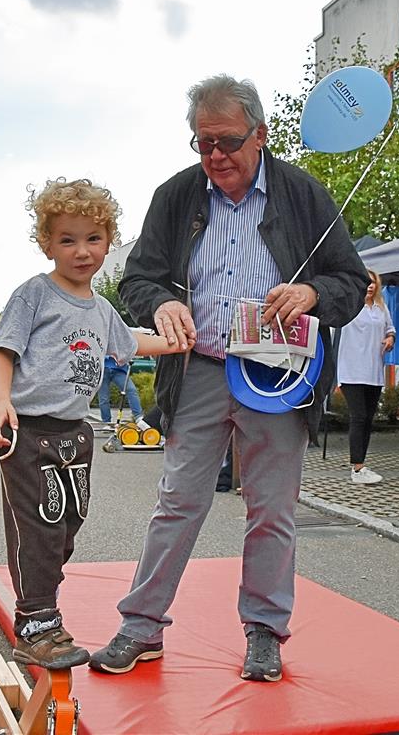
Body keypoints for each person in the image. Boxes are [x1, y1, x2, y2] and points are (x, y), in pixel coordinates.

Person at [88, 75, 368, 683]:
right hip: (202, 370)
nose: (214, 156)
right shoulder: (176, 196)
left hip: (278, 375)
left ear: (261, 136)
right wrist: (159, 304)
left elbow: (352, 280)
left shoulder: (302, 194)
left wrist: (313, 291)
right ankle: (141, 627)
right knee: (178, 502)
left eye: (227, 141)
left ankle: (264, 633)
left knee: (271, 509)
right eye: (202, 142)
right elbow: (138, 279)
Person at [0, 178, 178, 670]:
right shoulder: (35, 294)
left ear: (108, 242)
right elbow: (3, 351)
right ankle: (36, 622)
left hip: (75, 432)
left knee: (69, 524)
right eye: (67, 240)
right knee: (40, 528)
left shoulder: (101, 308)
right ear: (47, 244)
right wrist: (1, 402)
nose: (81, 251)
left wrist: (180, 341)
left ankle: (42, 605)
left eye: (92, 239)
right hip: (29, 429)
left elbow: (131, 343)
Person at [336, 269, 396, 485]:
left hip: (374, 371)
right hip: (351, 370)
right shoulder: (349, 306)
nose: (370, 286)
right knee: (358, 416)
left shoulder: (381, 307)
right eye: (366, 282)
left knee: (368, 419)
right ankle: (357, 466)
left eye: (373, 283)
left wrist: (390, 338)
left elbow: (391, 329)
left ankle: (361, 463)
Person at [97, 355, 147, 427]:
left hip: (119, 369)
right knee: (103, 398)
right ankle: (106, 422)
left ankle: (138, 417)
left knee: (131, 390)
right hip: (103, 368)